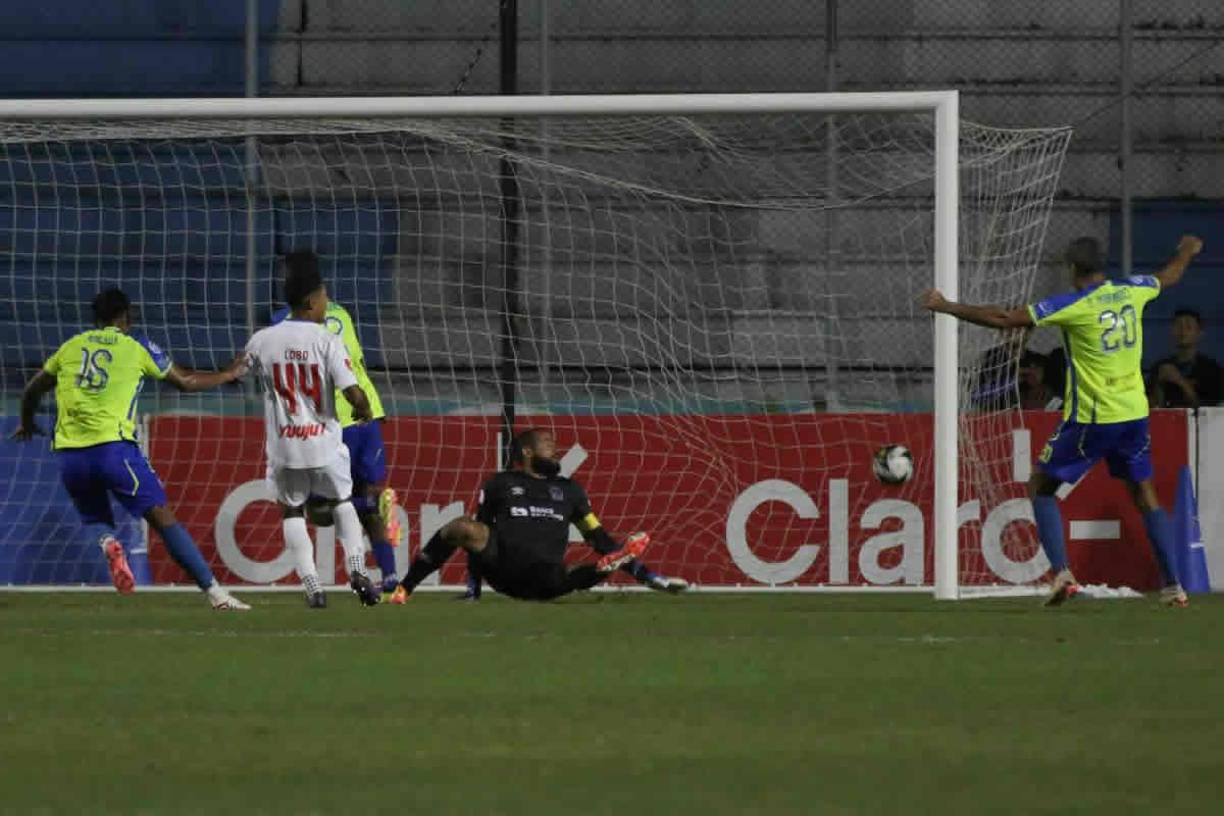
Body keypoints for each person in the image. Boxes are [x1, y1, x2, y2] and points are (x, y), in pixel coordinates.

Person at [920, 234, 1204, 608]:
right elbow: (1169, 276)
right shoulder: (1132, 289)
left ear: (1071, 269)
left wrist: (945, 305)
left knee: (1040, 485)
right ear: (1103, 265)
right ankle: (1173, 586)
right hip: (1134, 413)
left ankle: (1062, 575)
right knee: (1143, 491)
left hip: (1094, 417)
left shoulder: (1074, 304)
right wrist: (1186, 250)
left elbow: (1004, 319)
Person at [11, 288, 249, 610]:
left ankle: (108, 542)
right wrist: (228, 374)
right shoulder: (136, 346)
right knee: (162, 518)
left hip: (70, 456)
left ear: (95, 319)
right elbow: (186, 382)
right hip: (113, 451)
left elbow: (31, 390)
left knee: (94, 517)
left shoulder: (71, 347)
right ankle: (216, 594)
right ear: (126, 316)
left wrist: (27, 423)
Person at [389, 428, 680, 603]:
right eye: (546, 442)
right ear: (527, 451)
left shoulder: (570, 490)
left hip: (546, 577)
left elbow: (599, 537)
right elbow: (478, 536)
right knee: (462, 527)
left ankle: (611, 564)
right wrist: (473, 589)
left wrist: (649, 576)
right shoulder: (501, 483)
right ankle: (405, 587)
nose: (554, 448)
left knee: (578, 570)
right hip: (503, 570)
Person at [245, 252, 380, 607]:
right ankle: (356, 570)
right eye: (323, 297)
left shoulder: (264, 338)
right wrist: (363, 408)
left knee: (292, 511)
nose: (326, 303)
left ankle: (312, 586)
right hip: (322, 444)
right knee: (342, 501)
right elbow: (352, 391)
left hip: (285, 448)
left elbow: (238, 370)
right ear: (310, 301)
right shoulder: (327, 339)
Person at [271, 252, 401, 596]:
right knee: (364, 499)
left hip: (330, 422)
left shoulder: (283, 323)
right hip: (367, 413)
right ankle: (391, 579)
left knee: (316, 509)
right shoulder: (340, 313)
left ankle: (373, 506)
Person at [1147, 308, 1223, 408]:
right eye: (1178, 326)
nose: (1182, 331)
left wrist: (1180, 381)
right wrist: (1158, 384)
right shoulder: (1159, 367)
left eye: (1188, 326)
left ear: (1199, 333)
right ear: (1172, 331)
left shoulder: (1212, 370)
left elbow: (1211, 410)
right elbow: (1150, 407)